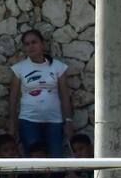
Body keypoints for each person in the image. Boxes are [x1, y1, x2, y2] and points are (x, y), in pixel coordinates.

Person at [7, 30, 74, 158]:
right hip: (28, 121)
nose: (31, 46)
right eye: (27, 44)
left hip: (54, 121)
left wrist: (68, 121)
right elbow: (13, 98)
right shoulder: (19, 68)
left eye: (34, 42)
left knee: (56, 159)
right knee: (32, 163)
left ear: (42, 44)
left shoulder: (57, 67)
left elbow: (65, 96)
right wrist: (12, 123)